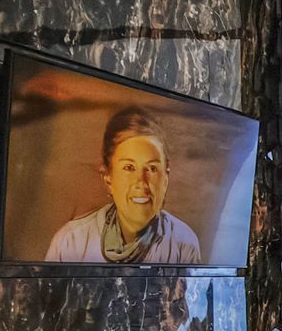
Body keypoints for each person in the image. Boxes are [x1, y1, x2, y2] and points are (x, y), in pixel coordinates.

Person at [44, 107, 203, 263]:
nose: (141, 183)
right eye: (129, 168)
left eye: (152, 168)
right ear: (108, 177)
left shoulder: (183, 243)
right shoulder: (69, 242)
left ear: (166, 177)